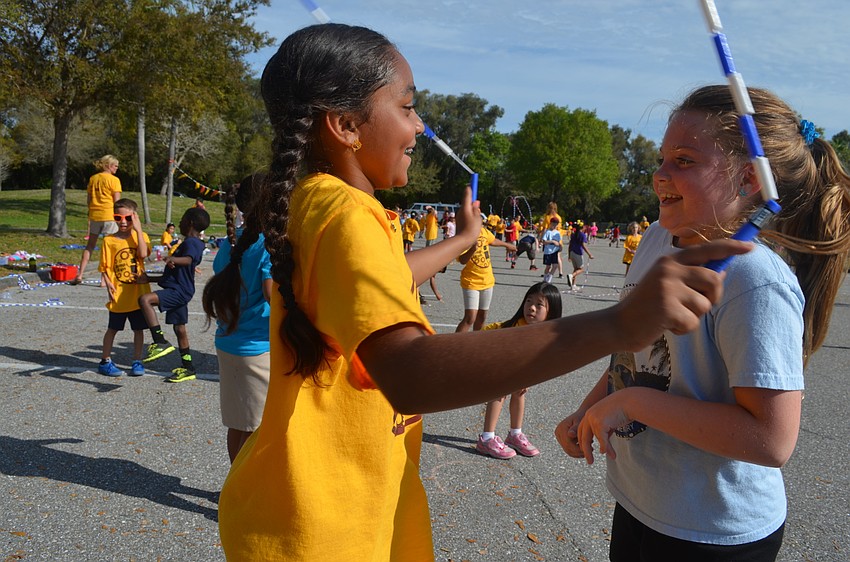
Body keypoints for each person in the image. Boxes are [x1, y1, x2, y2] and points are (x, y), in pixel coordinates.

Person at [217, 24, 749, 560]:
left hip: (304, 507)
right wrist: (619, 324)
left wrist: (465, 239)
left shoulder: (318, 202)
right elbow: (410, 374)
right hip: (328, 526)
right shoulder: (350, 215)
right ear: (347, 126)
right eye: (407, 107)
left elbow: (381, 280)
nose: (420, 127)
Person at [554, 85, 850, 561]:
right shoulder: (657, 239)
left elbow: (772, 439)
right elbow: (635, 353)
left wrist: (633, 403)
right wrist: (593, 406)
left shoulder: (753, 279)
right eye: (661, 157)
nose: (658, 175)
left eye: (684, 161)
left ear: (749, 179)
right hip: (641, 503)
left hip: (713, 531)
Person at [202, 175, 273, 462]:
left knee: (238, 424)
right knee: (260, 430)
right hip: (258, 350)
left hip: (228, 344)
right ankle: (248, 497)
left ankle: (234, 487)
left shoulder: (231, 244)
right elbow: (272, 294)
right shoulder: (269, 245)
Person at [476, 282, 562, 459]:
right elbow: (509, 359)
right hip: (493, 355)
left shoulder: (546, 332)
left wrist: (527, 379)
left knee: (519, 393)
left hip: (513, 365)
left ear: (551, 311)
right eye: (528, 301)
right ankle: (486, 439)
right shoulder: (519, 329)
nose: (531, 307)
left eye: (539, 304)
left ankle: (515, 434)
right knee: (500, 392)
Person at [138, 206, 210, 383]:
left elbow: (188, 260)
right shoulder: (189, 243)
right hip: (180, 288)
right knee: (180, 329)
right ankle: (188, 368)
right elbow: (174, 275)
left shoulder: (191, 243)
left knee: (145, 300)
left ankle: (159, 340)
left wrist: (173, 259)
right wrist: (148, 278)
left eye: (182, 219)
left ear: (190, 223)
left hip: (179, 291)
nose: (179, 223)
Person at [96, 198, 151, 377]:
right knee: (113, 329)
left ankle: (137, 360)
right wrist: (107, 283)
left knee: (138, 329)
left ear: (134, 217)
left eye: (127, 218)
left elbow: (143, 254)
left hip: (138, 295)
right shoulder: (109, 240)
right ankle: (105, 361)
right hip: (119, 294)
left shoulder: (140, 237)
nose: (123, 222)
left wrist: (139, 230)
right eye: (118, 218)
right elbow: (105, 267)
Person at [454, 221, 516, 332]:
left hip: (487, 280)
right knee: (470, 317)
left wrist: (507, 245)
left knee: (482, 316)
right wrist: (472, 249)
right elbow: (462, 260)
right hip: (471, 281)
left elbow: (493, 240)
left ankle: (476, 343)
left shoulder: (483, 231)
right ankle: (455, 345)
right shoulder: (465, 235)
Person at [71, 155, 122, 285]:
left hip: (95, 215)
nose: (117, 168)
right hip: (109, 216)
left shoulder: (93, 179)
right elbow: (117, 201)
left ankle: (80, 274)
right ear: (109, 166)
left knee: (90, 246)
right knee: (108, 248)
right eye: (115, 166)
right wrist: (119, 217)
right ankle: (104, 279)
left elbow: (89, 199)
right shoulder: (114, 180)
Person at [566, 220, 594, 289]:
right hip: (578, 253)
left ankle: (573, 285)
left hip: (572, 252)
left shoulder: (573, 234)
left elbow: (570, 245)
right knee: (581, 269)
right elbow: (583, 245)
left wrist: (569, 255)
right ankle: (571, 275)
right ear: (583, 227)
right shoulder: (582, 235)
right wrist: (589, 254)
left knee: (575, 268)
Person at [540, 217, 562, 283]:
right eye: (553, 224)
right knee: (548, 266)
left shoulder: (557, 233)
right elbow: (544, 242)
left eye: (555, 225)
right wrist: (552, 241)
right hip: (548, 251)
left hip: (555, 251)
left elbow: (559, 242)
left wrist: (560, 246)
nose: (554, 226)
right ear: (550, 224)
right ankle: (545, 278)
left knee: (555, 266)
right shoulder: (548, 232)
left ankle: (549, 278)